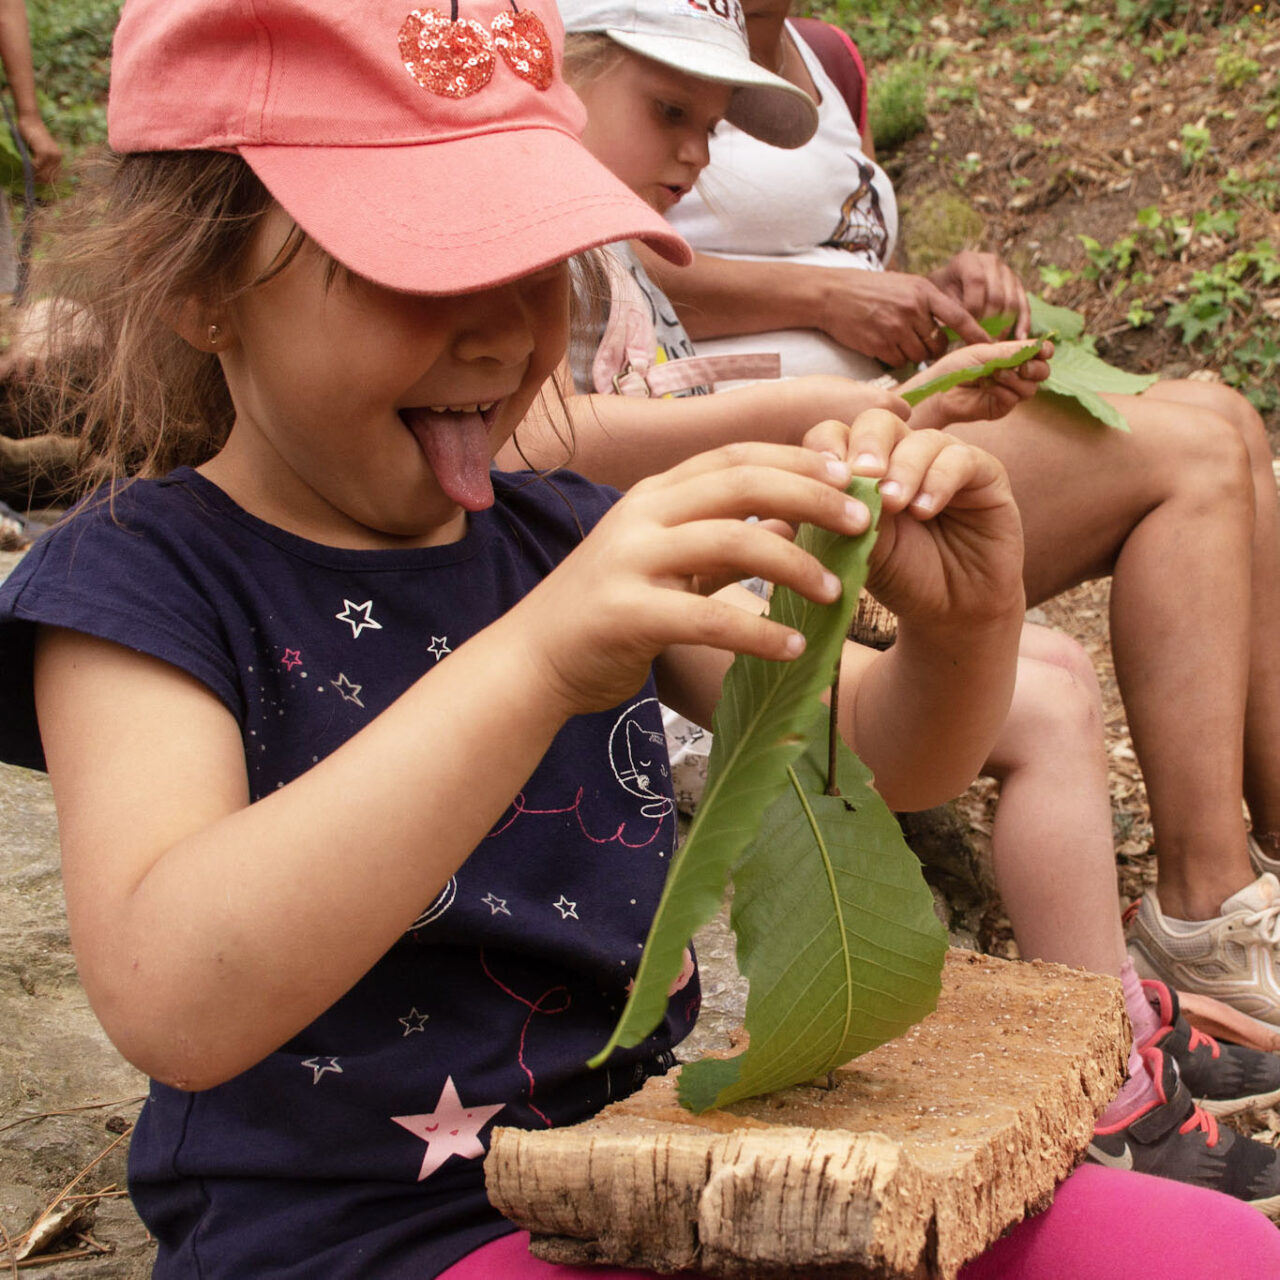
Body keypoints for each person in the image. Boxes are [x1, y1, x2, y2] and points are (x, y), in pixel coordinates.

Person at [1, 1, 1277, 1275]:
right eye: (418, 268)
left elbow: (877, 761)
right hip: (371, 1239)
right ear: (203, 286)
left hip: (657, 1182)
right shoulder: (141, 586)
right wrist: (535, 660)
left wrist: (961, 624)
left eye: (534, 265)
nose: (502, 329)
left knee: (1209, 1251)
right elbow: (174, 998)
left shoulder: (558, 528)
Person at [524, 0, 1280, 1207]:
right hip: (677, 636)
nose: (691, 153)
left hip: (731, 585)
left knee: (1054, 665)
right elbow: (551, 438)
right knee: (1043, 694)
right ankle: (1103, 1069)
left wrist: (917, 403)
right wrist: (837, 415)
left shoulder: (613, 255)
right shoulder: (522, 259)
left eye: (709, 126)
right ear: (547, 76)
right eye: (669, 112)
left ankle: (1109, 1024)